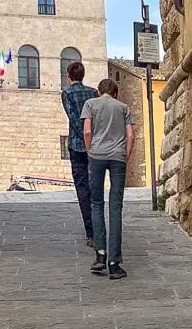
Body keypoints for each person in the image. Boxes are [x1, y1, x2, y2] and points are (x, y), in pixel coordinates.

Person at [81, 78, 135, 280]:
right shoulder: (123, 108)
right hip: (117, 158)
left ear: (99, 91)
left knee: (96, 204)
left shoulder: (90, 104)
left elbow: (87, 130)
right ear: (115, 92)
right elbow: (131, 136)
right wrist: (125, 156)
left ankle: (100, 255)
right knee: (116, 207)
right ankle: (114, 263)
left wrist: (89, 150)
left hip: (96, 156)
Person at [59, 61, 97, 247]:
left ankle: (91, 232)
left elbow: (73, 117)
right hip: (95, 145)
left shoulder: (66, 93)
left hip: (76, 145)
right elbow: (95, 118)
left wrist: (82, 136)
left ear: (69, 75)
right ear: (83, 74)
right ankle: (99, 226)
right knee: (95, 186)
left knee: (82, 189)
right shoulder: (93, 93)